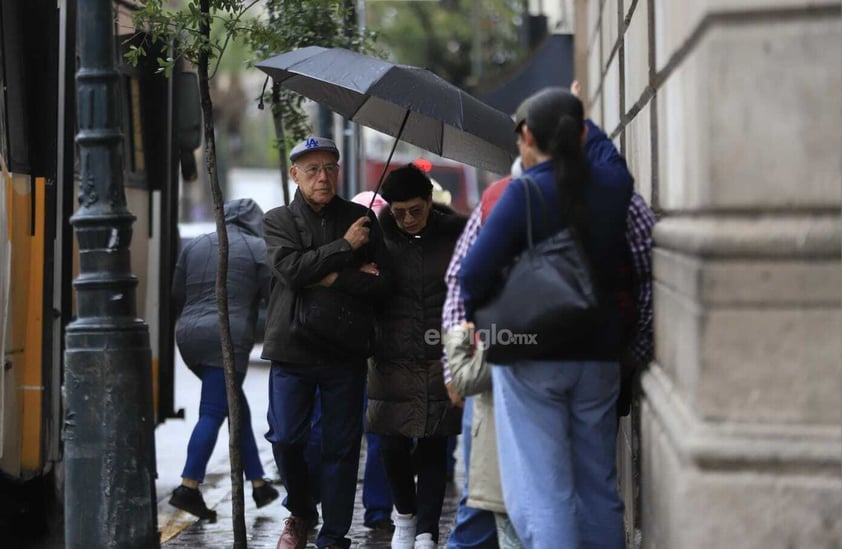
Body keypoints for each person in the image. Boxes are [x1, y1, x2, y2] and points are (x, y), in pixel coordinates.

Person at [459, 87, 633, 548]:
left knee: (544, 491)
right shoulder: (613, 187)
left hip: (532, 353)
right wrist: (581, 115)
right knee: (599, 487)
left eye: (520, 137)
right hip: (599, 354)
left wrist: (488, 321)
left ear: (531, 137)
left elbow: (472, 273)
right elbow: (604, 152)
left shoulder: (524, 195)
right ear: (577, 136)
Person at [262, 136, 392, 549]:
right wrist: (345, 250)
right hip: (291, 347)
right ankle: (301, 511)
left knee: (341, 448)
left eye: (330, 168)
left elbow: (384, 284)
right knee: (285, 438)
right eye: (313, 169)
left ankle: (334, 535)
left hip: (344, 351)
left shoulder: (363, 219)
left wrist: (332, 276)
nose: (323, 176)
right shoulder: (278, 220)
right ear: (294, 174)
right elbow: (290, 270)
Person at [365, 164, 465, 549]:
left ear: (429, 202)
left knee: (434, 444)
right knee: (391, 444)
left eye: (415, 210)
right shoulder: (374, 234)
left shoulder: (454, 232)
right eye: (398, 211)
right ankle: (404, 517)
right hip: (390, 356)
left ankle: (426, 532)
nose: (406, 218)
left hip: (440, 355)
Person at [168, 198, 279, 521]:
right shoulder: (259, 248)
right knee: (215, 411)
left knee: (233, 403)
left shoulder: (198, 243)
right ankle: (188, 486)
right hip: (226, 339)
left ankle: (259, 484)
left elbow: (177, 292)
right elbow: (273, 297)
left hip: (188, 337)